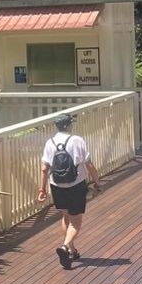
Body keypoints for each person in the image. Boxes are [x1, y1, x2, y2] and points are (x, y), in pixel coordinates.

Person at [38, 112, 100, 269]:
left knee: (66, 217)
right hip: (76, 185)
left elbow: (44, 169)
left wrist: (42, 189)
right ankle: (65, 246)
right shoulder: (77, 140)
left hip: (56, 185)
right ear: (68, 125)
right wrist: (97, 182)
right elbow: (89, 164)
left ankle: (72, 250)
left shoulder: (50, 142)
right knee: (76, 221)